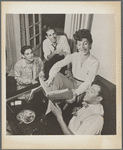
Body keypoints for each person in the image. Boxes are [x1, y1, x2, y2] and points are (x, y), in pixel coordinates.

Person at [46, 29, 100, 104]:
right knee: (56, 76)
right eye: (79, 44)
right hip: (72, 82)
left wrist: (76, 93)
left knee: (68, 93)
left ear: (90, 44)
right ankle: (54, 100)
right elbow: (57, 65)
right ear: (76, 45)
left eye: (85, 43)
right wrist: (50, 78)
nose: (82, 47)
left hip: (83, 88)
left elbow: (88, 82)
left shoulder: (94, 62)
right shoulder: (74, 56)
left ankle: (55, 99)